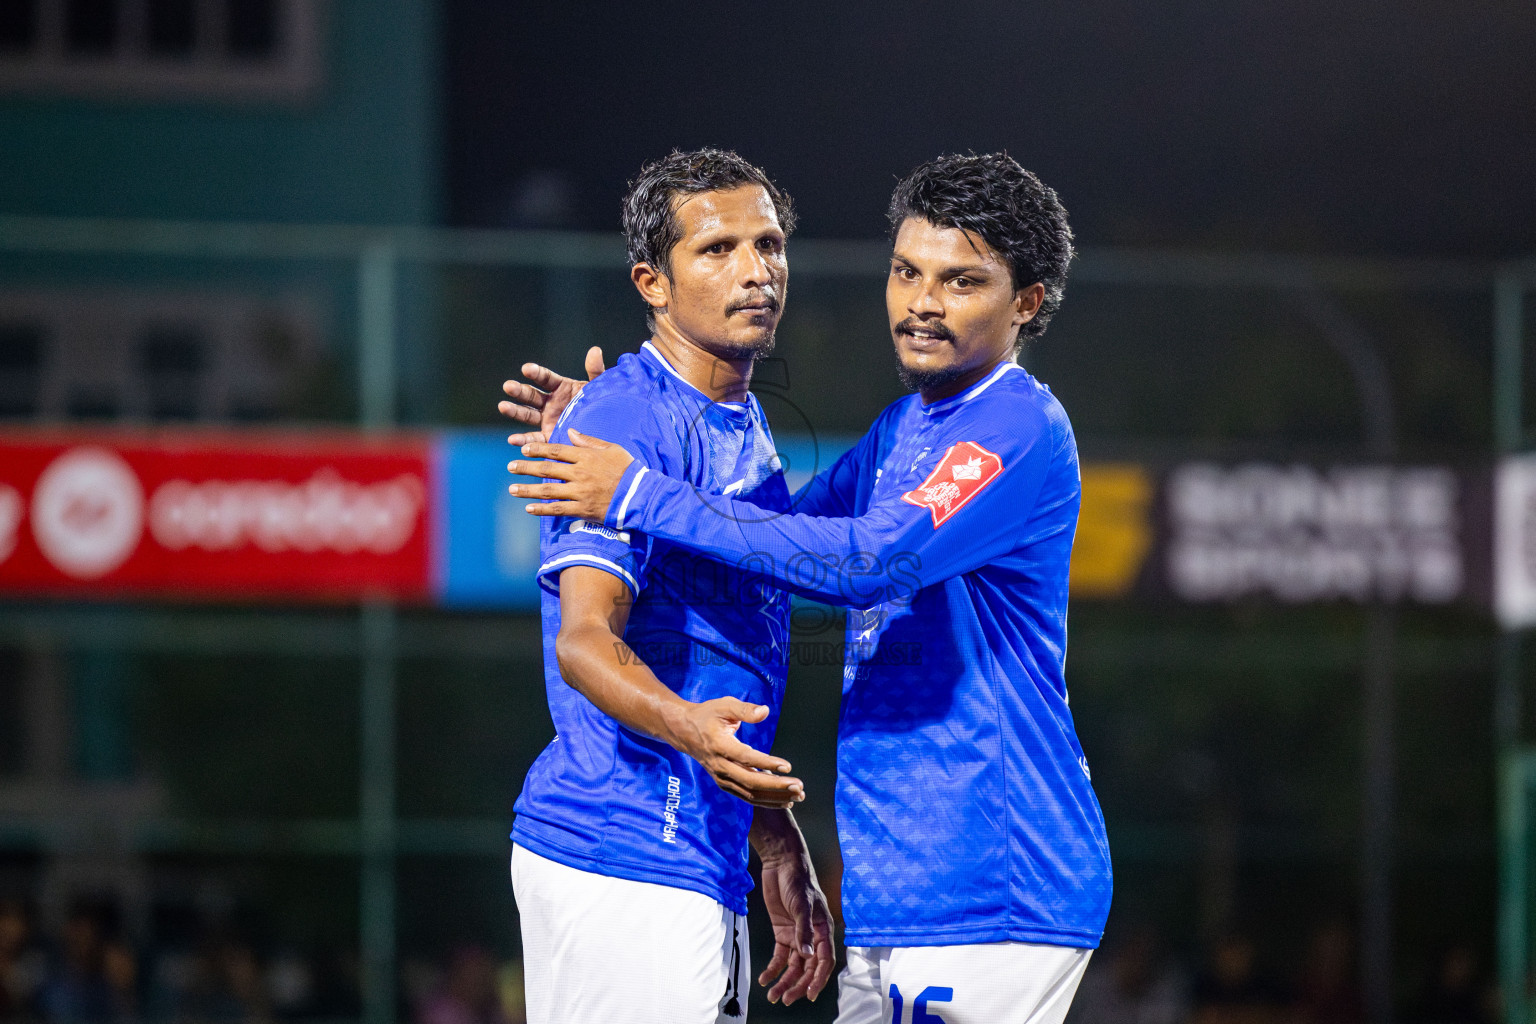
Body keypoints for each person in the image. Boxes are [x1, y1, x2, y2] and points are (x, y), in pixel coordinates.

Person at [503, 152, 1112, 1024]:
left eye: (961, 280)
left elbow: (863, 561)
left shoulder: (1011, 424)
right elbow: (759, 552)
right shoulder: (902, 426)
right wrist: (628, 423)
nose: (923, 302)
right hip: (868, 879)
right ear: (653, 282)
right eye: (907, 272)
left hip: (994, 876)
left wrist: (636, 482)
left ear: (1027, 302)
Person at [505, 148, 834, 1024]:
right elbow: (584, 643)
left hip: (691, 848)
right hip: (620, 845)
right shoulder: (625, 418)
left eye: (769, 246)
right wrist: (695, 729)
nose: (756, 270)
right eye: (718, 250)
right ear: (653, 282)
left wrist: (764, 824)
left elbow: (715, 647)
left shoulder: (740, 416)